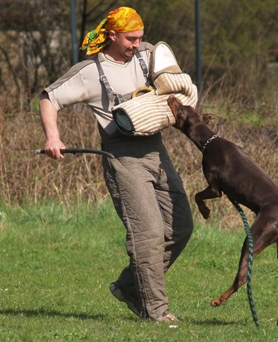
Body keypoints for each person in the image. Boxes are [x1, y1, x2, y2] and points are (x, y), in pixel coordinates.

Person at [39, 7, 194, 323]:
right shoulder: (89, 72)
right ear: (111, 35)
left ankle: (128, 286)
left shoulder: (147, 55)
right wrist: (53, 137)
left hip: (156, 150)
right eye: (130, 39)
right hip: (121, 157)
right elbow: (48, 98)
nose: (138, 44)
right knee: (148, 234)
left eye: (140, 37)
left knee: (181, 226)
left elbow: (171, 77)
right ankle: (157, 310)